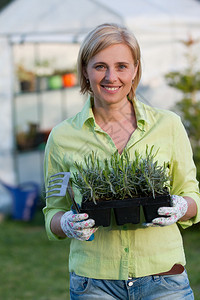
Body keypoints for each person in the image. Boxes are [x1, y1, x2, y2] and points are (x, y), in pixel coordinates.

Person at [43, 23, 200, 299]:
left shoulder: (169, 125)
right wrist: (66, 222)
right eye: (100, 66)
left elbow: (192, 197)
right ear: (84, 70)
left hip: (164, 280)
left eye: (122, 66)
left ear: (135, 70)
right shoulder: (62, 137)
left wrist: (180, 206)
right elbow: (52, 212)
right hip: (94, 283)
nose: (111, 77)